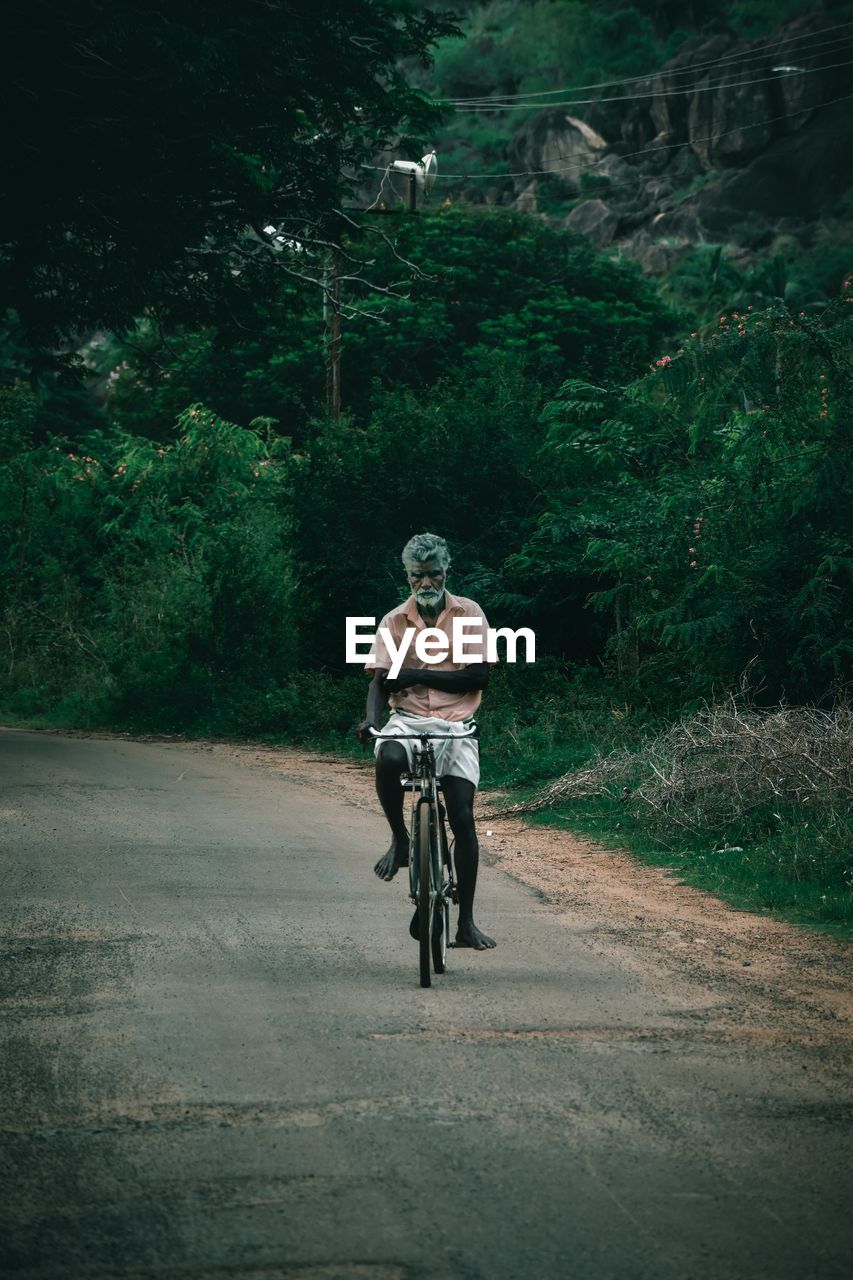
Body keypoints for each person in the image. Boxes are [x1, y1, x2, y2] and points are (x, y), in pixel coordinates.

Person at [356, 532, 496, 950]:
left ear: (446, 571)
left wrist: (416, 674)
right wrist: (369, 720)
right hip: (409, 720)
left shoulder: (469, 613)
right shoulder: (393, 621)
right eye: (418, 576)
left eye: (434, 574)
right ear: (408, 576)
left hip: (456, 726)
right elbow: (381, 681)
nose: (427, 583)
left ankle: (466, 923)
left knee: (463, 817)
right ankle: (400, 838)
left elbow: (477, 675)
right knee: (388, 757)